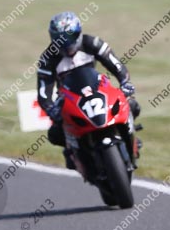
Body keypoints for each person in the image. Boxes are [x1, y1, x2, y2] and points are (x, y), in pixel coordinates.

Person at [36, 11, 140, 168]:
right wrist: (51, 109)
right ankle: (75, 154)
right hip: (69, 98)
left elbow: (116, 65)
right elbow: (44, 93)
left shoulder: (93, 43)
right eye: (60, 40)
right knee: (55, 134)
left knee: (132, 105)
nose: (66, 44)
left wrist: (125, 82)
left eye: (70, 37)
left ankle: (130, 139)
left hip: (98, 88)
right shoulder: (47, 59)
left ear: (79, 33)